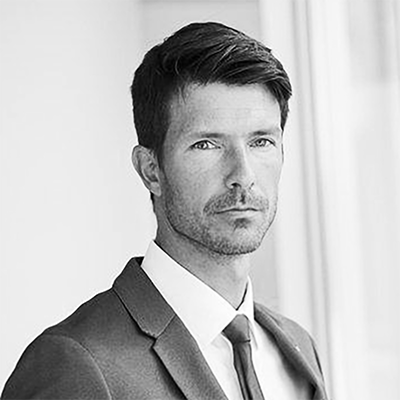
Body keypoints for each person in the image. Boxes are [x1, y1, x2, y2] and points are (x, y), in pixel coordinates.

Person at [1, 22, 329, 400]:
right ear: (150, 170)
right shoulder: (75, 364)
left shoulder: (297, 349)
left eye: (261, 142)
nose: (243, 175)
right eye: (207, 144)